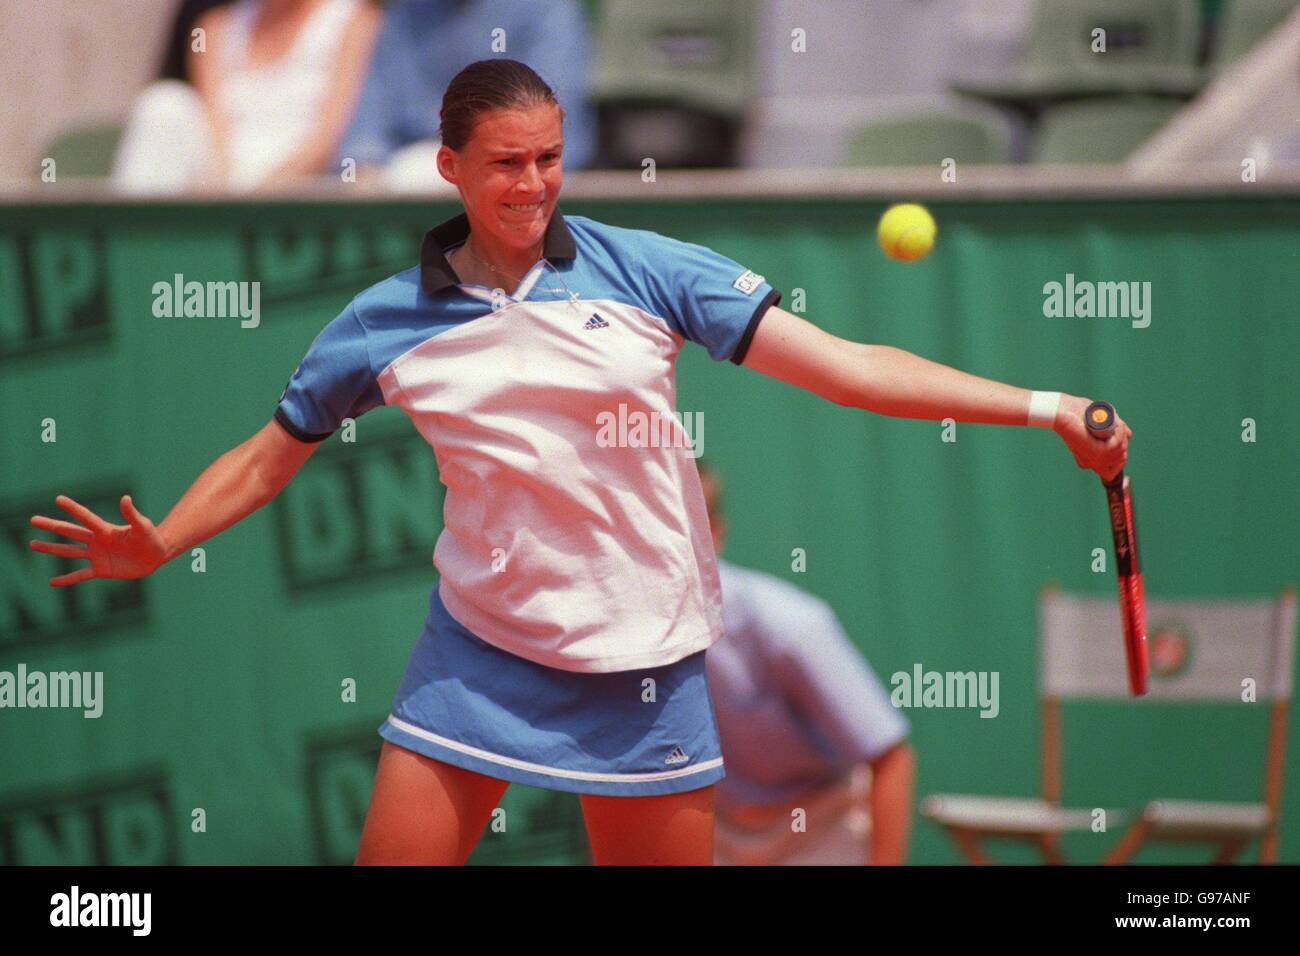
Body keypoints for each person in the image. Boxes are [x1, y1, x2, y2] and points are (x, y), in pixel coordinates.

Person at [30, 58, 1131, 867]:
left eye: (551, 158)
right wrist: (164, 537)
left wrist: (1043, 407)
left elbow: (846, 368)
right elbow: (271, 455)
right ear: (450, 167)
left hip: (644, 656)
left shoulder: (647, 269)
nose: (533, 183)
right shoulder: (383, 322)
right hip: (480, 652)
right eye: (506, 163)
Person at [698, 462, 915, 866]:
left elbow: (890, 758)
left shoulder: (789, 624)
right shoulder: (625, 632)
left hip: (818, 828)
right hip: (714, 829)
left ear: (714, 534)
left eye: (682, 525)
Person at [112, 0, 380, 193]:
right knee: (164, 103)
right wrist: (225, 193)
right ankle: (126, 247)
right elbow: (215, 131)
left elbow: (331, 135)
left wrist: (260, 197)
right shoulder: (211, 27)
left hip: (305, 186)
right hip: (223, 183)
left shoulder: (356, 19)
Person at [335, 0, 595, 188]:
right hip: (409, 191)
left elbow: (551, 134)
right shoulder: (404, 15)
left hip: (516, 182)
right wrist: (364, 174)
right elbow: (365, 134)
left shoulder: (548, 10)